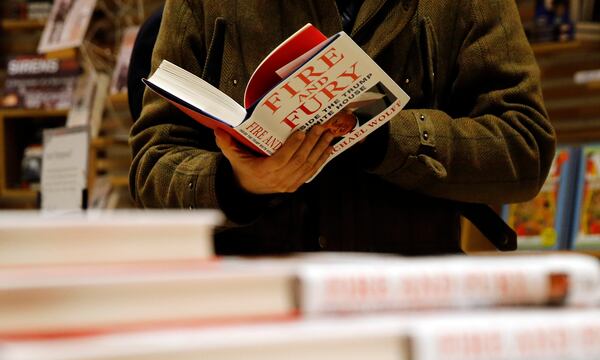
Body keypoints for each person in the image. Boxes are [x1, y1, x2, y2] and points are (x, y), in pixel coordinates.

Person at [129, 0, 556, 256]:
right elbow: (153, 165)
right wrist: (236, 184)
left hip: (409, 304)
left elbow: (525, 146)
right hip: (255, 309)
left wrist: (387, 139)